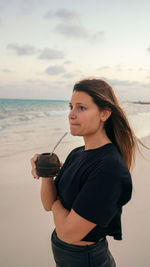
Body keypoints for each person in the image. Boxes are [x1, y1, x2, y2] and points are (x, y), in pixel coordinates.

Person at [31, 78, 137, 267]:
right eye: (70, 107)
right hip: (66, 255)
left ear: (104, 113)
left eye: (81, 108)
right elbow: (47, 204)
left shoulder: (109, 168)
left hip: (85, 259)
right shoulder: (77, 153)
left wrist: (57, 205)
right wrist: (47, 172)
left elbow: (68, 233)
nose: (71, 114)